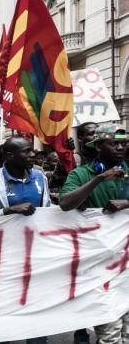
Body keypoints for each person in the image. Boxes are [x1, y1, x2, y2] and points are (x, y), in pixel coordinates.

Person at [60, 125, 128, 344]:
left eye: (124, 143)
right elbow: (65, 203)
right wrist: (99, 179)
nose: (120, 147)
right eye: (114, 143)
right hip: (100, 264)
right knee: (109, 331)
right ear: (99, 147)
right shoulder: (81, 174)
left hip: (127, 262)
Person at [0, 136, 51, 221]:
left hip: (35, 233)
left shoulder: (40, 177)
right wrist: (9, 210)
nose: (33, 154)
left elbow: (47, 208)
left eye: (32, 150)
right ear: (10, 156)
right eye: (26, 151)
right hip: (5, 234)